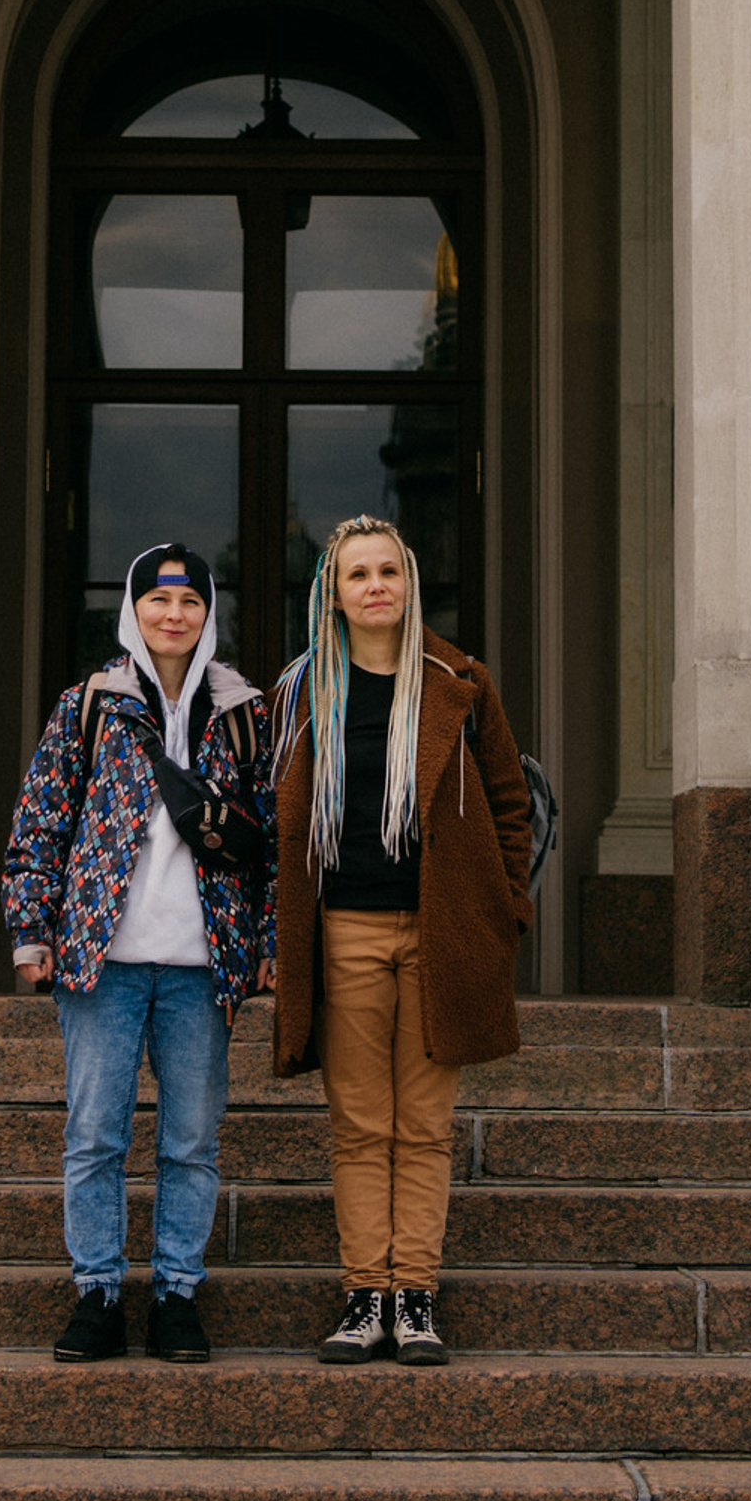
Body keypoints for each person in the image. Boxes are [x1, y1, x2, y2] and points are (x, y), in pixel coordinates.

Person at [0, 543, 275, 1364]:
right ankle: (97, 1295)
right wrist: (31, 928)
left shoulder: (245, 715)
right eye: (158, 600)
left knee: (191, 1138)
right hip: (102, 960)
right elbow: (41, 821)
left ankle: (176, 1297)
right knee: (95, 1135)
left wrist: (268, 941)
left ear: (208, 614)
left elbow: (272, 838)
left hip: (203, 966)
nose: (174, 615)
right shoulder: (89, 705)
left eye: (190, 601)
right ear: (133, 609)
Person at [269, 516, 530, 1366]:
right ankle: (363, 1297)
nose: (375, 586)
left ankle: (414, 1298)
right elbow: (279, 817)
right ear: (334, 595)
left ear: (409, 583)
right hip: (342, 928)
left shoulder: (461, 680)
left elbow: (509, 804)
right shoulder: (304, 689)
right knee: (359, 1124)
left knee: (423, 1124)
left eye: (389, 571)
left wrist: (506, 913)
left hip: (441, 931)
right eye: (357, 575)